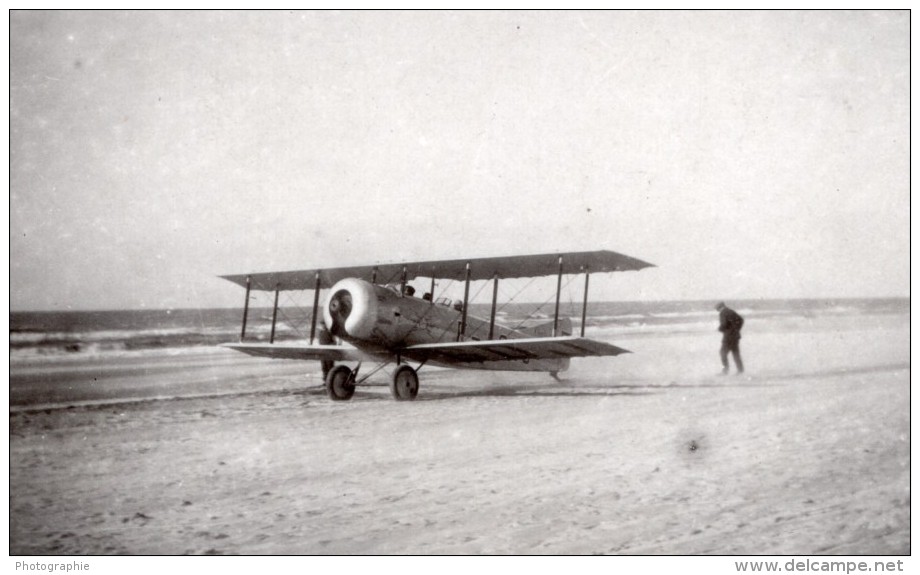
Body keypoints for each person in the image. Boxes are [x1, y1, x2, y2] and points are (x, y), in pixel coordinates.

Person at [715, 301, 744, 375]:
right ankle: (740, 370)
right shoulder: (730, 311)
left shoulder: (723, 313)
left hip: (728, 337)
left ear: (719, 307)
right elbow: (741, 320)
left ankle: (725, 371)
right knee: (735, 354)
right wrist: (737, 329)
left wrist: (720, 329)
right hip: (735, 336)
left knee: (722, 353)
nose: (716, 310)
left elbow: (724, 324)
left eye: (716, 308)